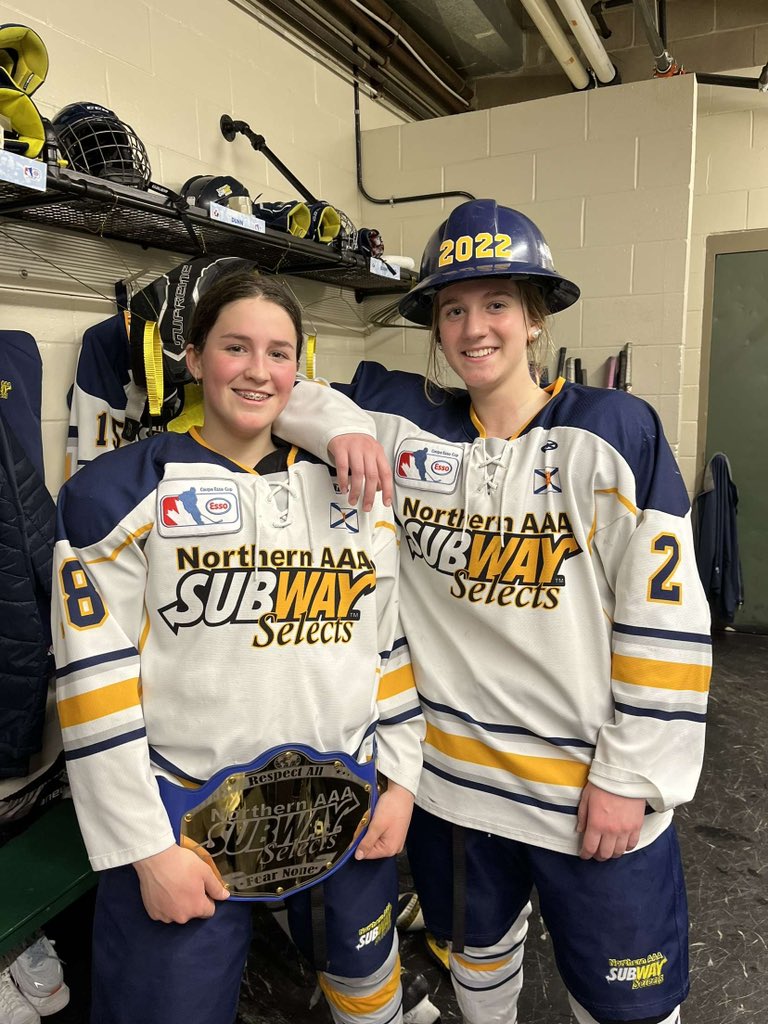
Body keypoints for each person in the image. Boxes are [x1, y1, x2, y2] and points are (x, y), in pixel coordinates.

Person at [279, 199, 712, 1024]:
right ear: (435, 327)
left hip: (589, 790)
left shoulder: (615, 431)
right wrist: (339, 430)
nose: (474, 328)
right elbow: (279, 387)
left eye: (497, 304)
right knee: (477, 959)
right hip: (455, 791)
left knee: (629, 1006)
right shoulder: (405, 421)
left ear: (536, 318)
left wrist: (632, 775)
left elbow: (669, 624)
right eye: (453, 310)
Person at [52, 272, 424, 1024]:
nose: (258, 370)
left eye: (278, 353)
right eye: (235, 347)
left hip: (346, 809)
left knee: (368, 989)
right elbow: (94, 687)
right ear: (193, 357)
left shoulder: (354, 488)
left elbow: (385, 646)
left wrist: (401, 782)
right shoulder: (117, 493)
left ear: (300, 368)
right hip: (182, 824)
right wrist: (145, 850)